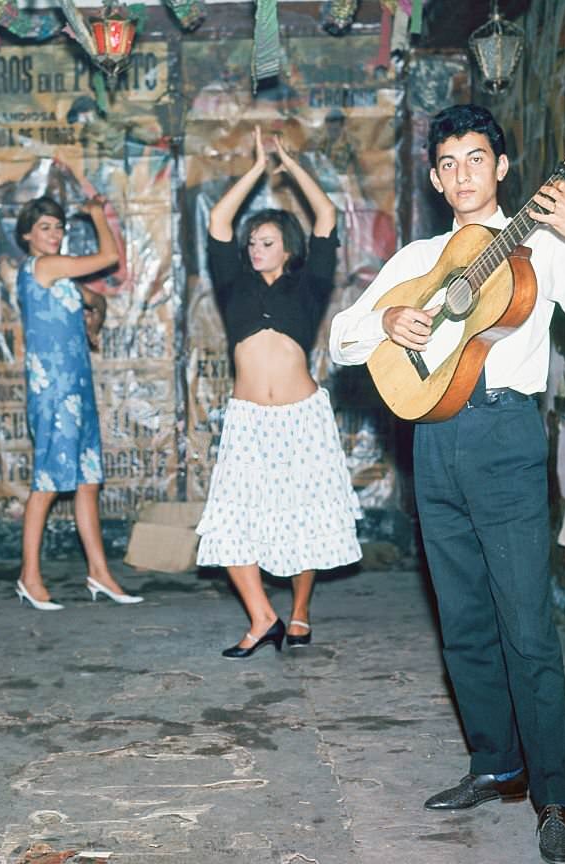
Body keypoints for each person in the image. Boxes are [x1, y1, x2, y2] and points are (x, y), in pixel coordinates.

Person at [329, 104, 565, 863]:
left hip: (503, 436)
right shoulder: (420, 256)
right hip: (431, 436)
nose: (464, 173)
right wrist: (390, 320)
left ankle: (554, 797)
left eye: (478, 158)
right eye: (450, 164)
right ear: (436, 180)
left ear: (502, 167)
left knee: (526, 624)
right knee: (462, 616)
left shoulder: (539, 245)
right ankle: (493, 764)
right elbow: (342, 339)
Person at [197, 125, 361, 659]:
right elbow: (220, 221)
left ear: (289, 249)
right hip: (248, 419)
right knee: (228, 520)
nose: (256, 249)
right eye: (253, 243)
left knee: (304, 517)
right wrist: (254, 169)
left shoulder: (307, 284)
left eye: (266, 242)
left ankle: (299, 613)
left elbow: (327, 219)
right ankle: (261, 615)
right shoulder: (233, 284)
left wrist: (289, 167)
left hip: (301, 418)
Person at [13, 195, 141, 609]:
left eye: (58, 226)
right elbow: (109, 256)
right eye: (45, 227)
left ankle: (100, 574)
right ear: (28, 235)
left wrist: (94, 323)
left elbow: (97, 299)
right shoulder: (45, 267)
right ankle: (29, 577)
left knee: (87, 482)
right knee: (47, 483)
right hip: (52, 393)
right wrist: (98, 214)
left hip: (78, 389)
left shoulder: (62, 278)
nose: (54, 234)